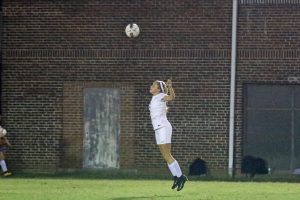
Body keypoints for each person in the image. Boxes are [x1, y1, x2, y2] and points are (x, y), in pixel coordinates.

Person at [149, 79, 187, 191]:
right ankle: (177, 176)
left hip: (163, 127)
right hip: (158, 128)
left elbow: (171, 97)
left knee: (167, 155)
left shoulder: (161, 95)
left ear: (158, 89)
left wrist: (170, 87)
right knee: (166, 156)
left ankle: (180, 177)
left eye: (153, 85)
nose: (151, 86)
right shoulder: (154, 98)